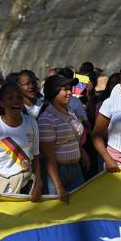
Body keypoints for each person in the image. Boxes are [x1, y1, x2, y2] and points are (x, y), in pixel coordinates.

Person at [0, 82, 42, 201]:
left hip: (28, 182)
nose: (16, 101)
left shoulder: (31, 123)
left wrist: (38, 182)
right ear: (2, 103)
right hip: (4, 185)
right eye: (10, 98)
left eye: (19, 97)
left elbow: (36, 156)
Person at [38, 74, 89, 203]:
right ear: (53, 92)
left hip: (76, 170)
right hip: (57, 174)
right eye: (64, 89)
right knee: (58, 212)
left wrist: (82, 153)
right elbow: (49, 157)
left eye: (69, 88)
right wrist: (59, 187)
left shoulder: (70, 111)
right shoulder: (46, 119)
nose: (69, 92)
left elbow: (74, 137)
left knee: (79, 207)